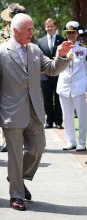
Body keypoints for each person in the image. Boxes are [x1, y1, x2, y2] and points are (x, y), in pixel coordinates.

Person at [0, 13, 72, 211]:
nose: (32, 33)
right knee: (15, 156)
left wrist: (61, 56)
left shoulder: (34, 49)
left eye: (32, 29)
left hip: (35, 110)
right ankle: (16, 195)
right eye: (28, 30)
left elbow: (51, 69)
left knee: (38, 148)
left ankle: (15, 176)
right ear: (15, 31)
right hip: (11, 113)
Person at [0, 2, 27, 152]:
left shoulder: (27, 32)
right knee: (5, 108)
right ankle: (7, 139)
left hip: (21, 77)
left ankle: (21, 139)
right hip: (4, 76)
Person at [57, 21, 87, 152]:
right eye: (68, 33)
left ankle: (81, 142)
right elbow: (56, 65)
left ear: (77, 33)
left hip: (80, 86)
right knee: (66, 116)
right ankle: (71, 141)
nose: (70, 35)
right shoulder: (61, 48)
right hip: (64, 86)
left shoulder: (84, 49)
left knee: (82, 115)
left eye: (72, 33)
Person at [37, 18, 64, 129]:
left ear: (55, 27)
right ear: (45, 27)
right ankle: (49, 121)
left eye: (51, 26)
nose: (49, 28)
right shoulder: (40, 41)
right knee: (46, 99)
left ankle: (58, 121)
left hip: (58, 74)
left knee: (58, 98)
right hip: (44, 75)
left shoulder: (61, 39)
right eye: (47, 26)